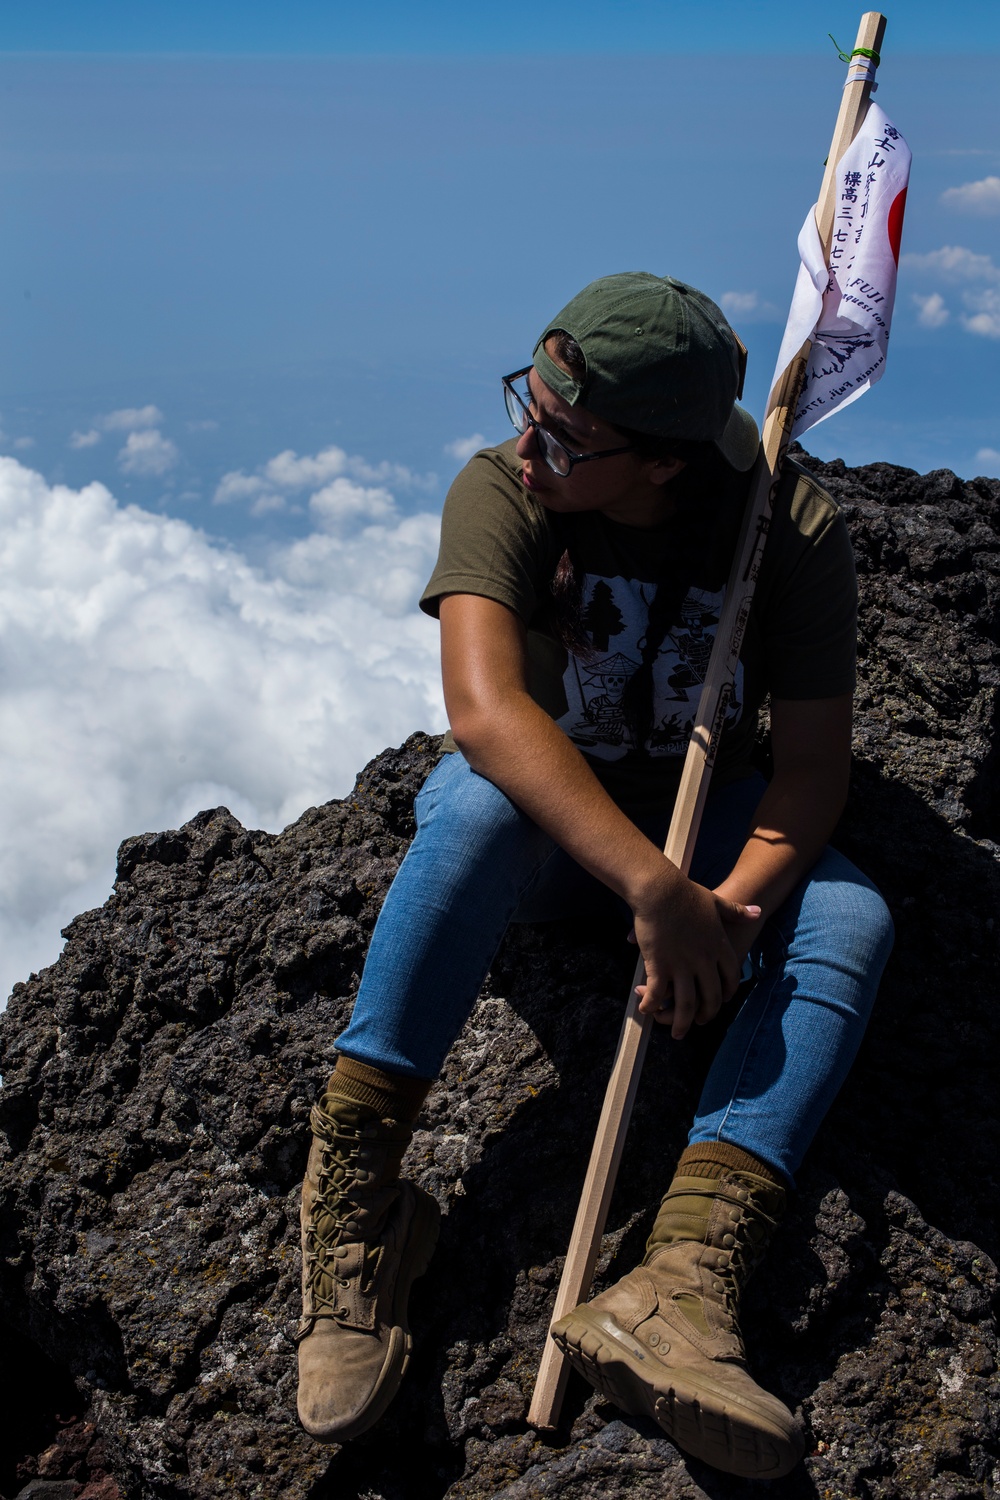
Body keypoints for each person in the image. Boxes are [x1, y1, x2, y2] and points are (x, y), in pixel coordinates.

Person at [294, 273, 894, 1479]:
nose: (530, 439)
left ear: (666, 463)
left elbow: (813, 771)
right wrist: (654, 895)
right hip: (554, 832)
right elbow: (485, 715)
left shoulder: (783, 527)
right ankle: (357, 1201)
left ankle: (676, 1282)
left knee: (846, 914)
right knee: (471, 813)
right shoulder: (502, 487)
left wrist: (728, 912)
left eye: (567, 433)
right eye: (530, 397)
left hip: (701, 821)